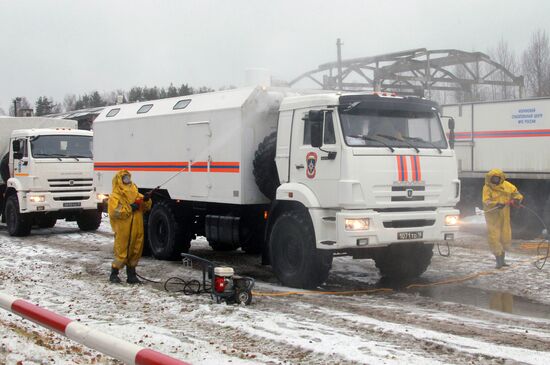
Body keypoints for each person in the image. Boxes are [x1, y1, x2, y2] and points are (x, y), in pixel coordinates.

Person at [108, 170, 152, 284]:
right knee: (121, 250)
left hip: (136, 226)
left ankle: (131, 275)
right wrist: (129, 208)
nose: (127, 179)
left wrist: (146, 200)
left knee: (135, 249)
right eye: (124, 178)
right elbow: (114, 212)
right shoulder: (116, 196)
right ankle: (114, 273)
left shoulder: (135, 191)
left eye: (128, 177)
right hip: (123, 228)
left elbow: (145, 206)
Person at [482, 169, 523, 269]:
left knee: (505, 236)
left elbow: (516, 193)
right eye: (493, 178)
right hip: (493, 217)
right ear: (490, 178)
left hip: (504, 215)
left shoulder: (507, 186)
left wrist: (517, 199)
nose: (495, 180)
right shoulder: (487, 188)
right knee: (494, 238)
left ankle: (503, 260)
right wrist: (495, 204)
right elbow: (486, 201)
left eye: (497, 178)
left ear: (501, 178)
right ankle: (498, 261)